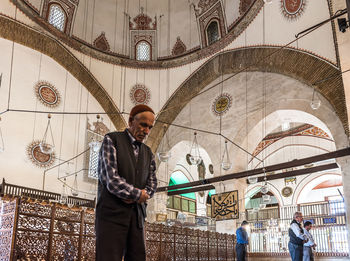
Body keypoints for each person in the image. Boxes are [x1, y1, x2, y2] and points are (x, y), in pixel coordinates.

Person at [95, 104, 157, 261]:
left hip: (136, 217)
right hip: (112, 215)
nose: (147, 131)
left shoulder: (148, 153)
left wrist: (143, 195)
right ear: (131, 121)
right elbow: (111, 179)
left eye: (150, 127)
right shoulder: (112, 140)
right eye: (143, 125)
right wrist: (138, 194)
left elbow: (152, 184)